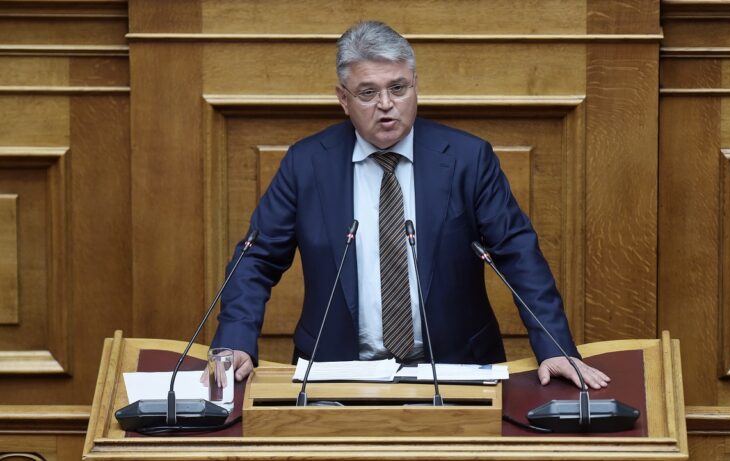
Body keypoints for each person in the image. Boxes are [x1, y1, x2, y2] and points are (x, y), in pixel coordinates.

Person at [210, 20, 609, 390]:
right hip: (336, 372)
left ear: (416, 85)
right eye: (368, 93)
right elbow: (257, 257)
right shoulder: (306, 164)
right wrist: (235, 341)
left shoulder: (468, 159)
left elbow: (518, 254)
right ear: (343, 99)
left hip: (456, 368)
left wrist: (555, 345)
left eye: (398, 88)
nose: (386, 103)